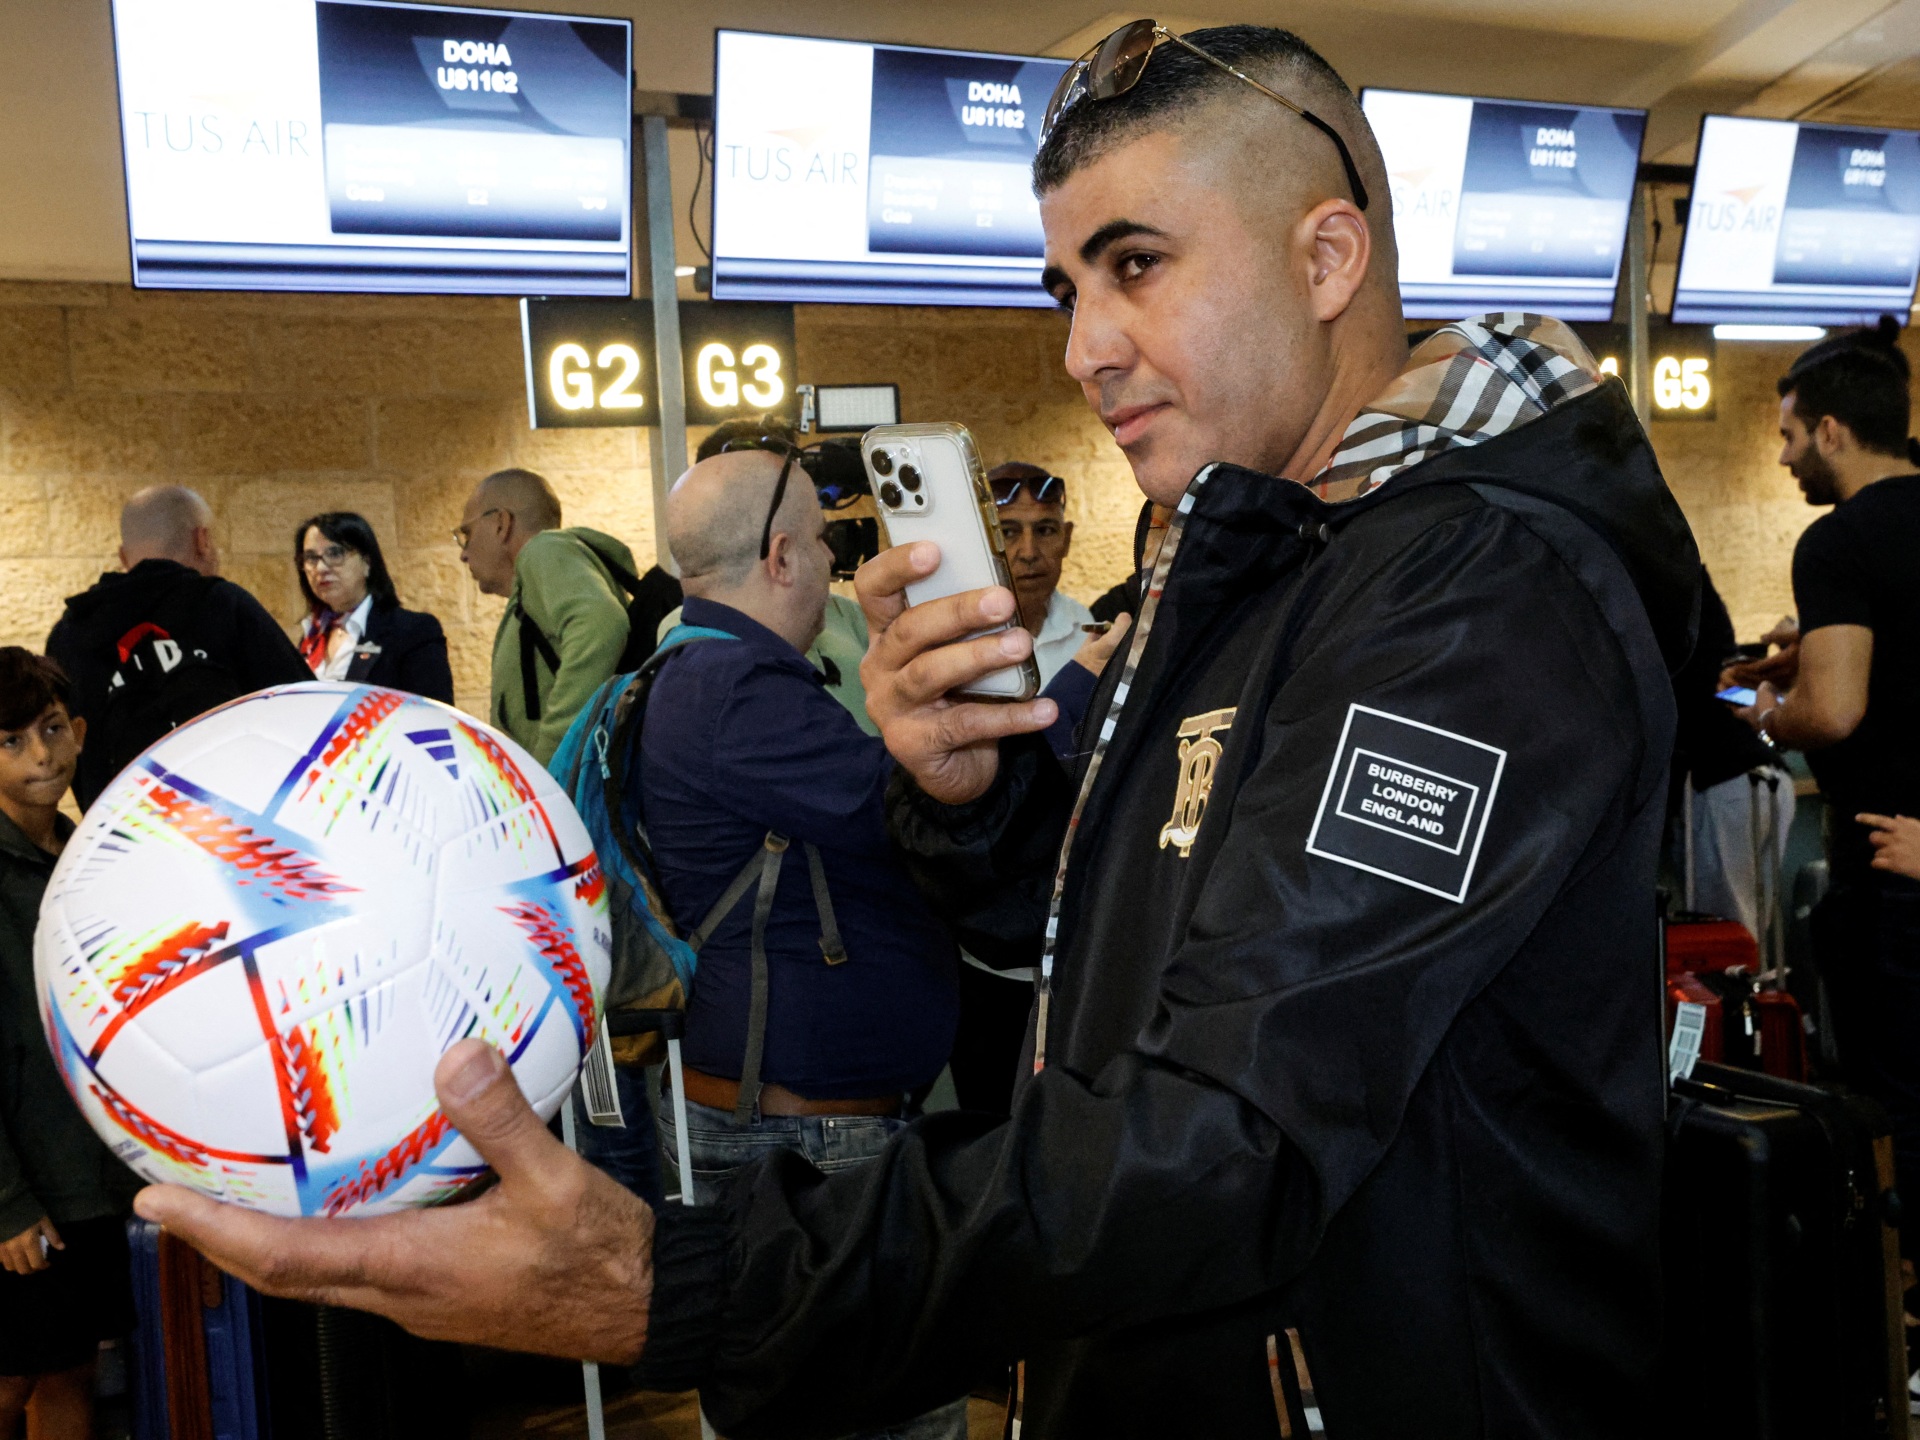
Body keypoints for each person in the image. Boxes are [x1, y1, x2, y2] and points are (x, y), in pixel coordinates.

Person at [133, 25, 1698, 1440]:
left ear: (1328, 254)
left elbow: (1233, 1136)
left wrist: (687, 1283)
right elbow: (1133, 976)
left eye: (1136, 264)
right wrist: (976, 802)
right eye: (1066, 288)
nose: (1083, 348)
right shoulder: (1259, 560)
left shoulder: (1473, 587)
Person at [643, 446, 968, 1439]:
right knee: (879, 1412)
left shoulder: (709, 676)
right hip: (807, 1134)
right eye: (824, 541)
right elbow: (914, 805)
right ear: (781, 557)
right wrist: (1073, 691)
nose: (832, 562)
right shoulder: (736, 691)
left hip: (791, 1114)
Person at [1729, 321, 1920, 1255]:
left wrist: (1766, 711)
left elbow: (1835, 713)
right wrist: (1800, 650)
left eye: (1792, 434)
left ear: (1835, 431)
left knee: (1899, 1121)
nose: (1786, 454)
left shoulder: (1837, 542)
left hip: (1890, 875)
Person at [0, 650, 138, 1440]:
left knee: (72, 1363)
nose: (41, 757)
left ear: (80, 732)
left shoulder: (87, 857)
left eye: (52, 731)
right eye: (11, 741)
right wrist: (8, 1203)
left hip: (88, 1176)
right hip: (23, 1192)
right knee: (14, 1369)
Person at [46, 485, 310, 809]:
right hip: (230, 833)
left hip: (118, 839)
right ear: (203, 540)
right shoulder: (222, 604)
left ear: (123, 556)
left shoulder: (68, 634)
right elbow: (306, 711)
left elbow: (62, 749)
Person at [456, 468, 635, 765]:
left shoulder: (544, 550)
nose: (463, 553)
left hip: (564, 796)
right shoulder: (544, 573)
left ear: (501, 523)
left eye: (466, 534)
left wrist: (552, 758)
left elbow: (602, 624)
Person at [1670, 567, 1794, 937]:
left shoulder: (1667, 591)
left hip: (1723, 784)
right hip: (1763, 780)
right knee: (1743, 939)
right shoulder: (1691, 590)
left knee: (1723, 944)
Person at [294, 511, 453, 704]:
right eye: (311, 558)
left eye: (335, 553)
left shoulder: (412, 631)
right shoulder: (312, 638)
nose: (320, 569)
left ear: (367, 562)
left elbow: (433, 717)